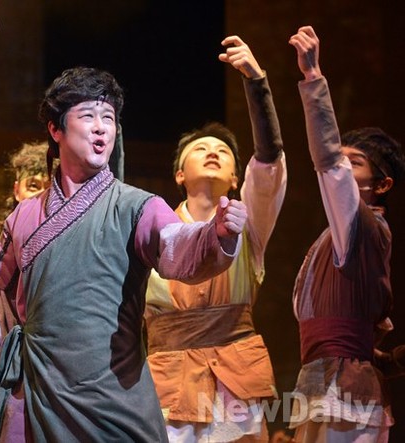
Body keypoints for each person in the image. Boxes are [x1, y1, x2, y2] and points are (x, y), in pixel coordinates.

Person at [0, 66, 249, 442]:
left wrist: (217, 234)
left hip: (115, 397)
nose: (101, 128)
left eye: (109, 118)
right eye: (88, 116)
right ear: (55, 129)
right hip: (39, 394)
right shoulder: (23, 217)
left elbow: (179, 245)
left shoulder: (137, 206)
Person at [144, 35, 286, 442]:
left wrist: (256, 84)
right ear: (179, 174)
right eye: (201, 148)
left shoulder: (248, 224)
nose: (212, 152)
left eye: (223, 151)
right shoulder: (153, 231)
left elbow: (270, 161)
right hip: (169, 381)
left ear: (236, 178)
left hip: (236, 376)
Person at [288, 26, 405, 442]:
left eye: (354, 163)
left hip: (344, 387)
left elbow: (328, 163)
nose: (341, 167)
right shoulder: (344, 232)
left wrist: (313, 77)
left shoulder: (363, 227)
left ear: (382, 184)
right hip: (324, 379)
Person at [0, 141, 52, 221]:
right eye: (33, 186)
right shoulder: (9, 228)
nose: (42, 195)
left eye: (50, 189)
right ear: (17, 191)